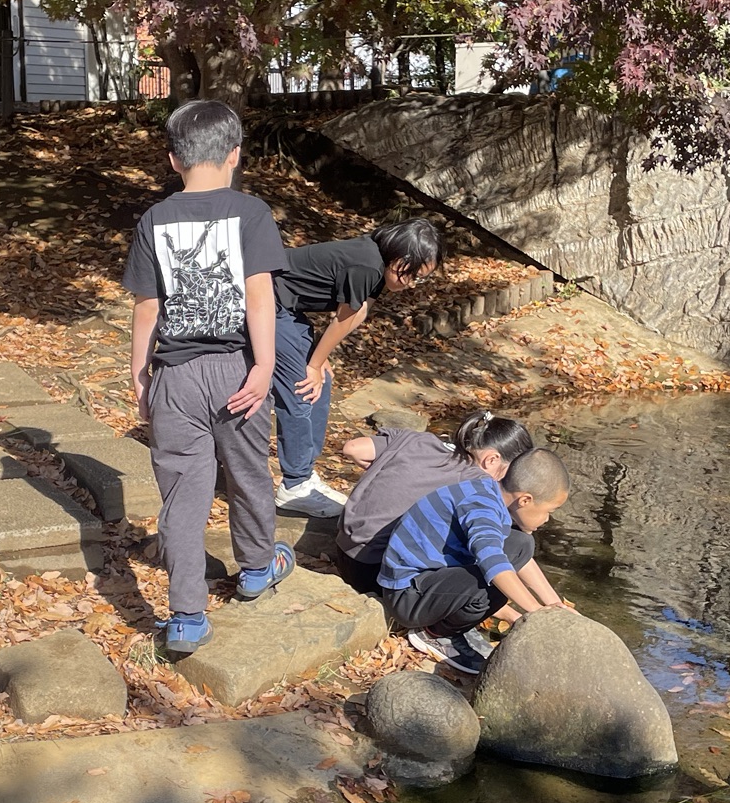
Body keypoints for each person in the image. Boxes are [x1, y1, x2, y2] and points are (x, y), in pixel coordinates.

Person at [126, 100, 295, 657]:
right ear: (235, 154)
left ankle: (186, 617)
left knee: (182, 495)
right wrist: (265, 365)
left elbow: (147, 308)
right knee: (248, 473)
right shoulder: (251, 212)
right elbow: (259, 297)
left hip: (172, 373)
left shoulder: (155, 219)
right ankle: (254, 568)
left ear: (173, 160)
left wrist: (140, 377)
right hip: (236, 370)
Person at [270, 218, 445, 517]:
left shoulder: (378, 264)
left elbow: (359, 312)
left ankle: (304, 475)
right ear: (400, 258)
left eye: (421, 278)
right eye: (412, 274)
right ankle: (294, 486)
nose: (412, 283)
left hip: (288, 309)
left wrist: (320, 361)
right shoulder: (366, 265)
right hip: (266, 301)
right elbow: (344, 317)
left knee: (320, 383)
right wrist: (313, 363)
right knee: (302, 387)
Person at [375, 447, 571, 674]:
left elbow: (520, 557)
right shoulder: (482, 508)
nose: (547, 519)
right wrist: (535, 613)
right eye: (549, 511)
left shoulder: (489, 492)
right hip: (407, 596)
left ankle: (454, 619)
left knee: (521, 544)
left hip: (427, 580)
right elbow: (492, 562)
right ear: (525, 500)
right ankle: (435, 633)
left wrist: (554, 606)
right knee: (494, 590)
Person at [332, 410, 535, 593]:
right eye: (510, 474)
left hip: (345, 551)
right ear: (491, 460)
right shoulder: (476, 483)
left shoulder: (417, 440)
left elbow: (352, 448)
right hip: (378, 573)